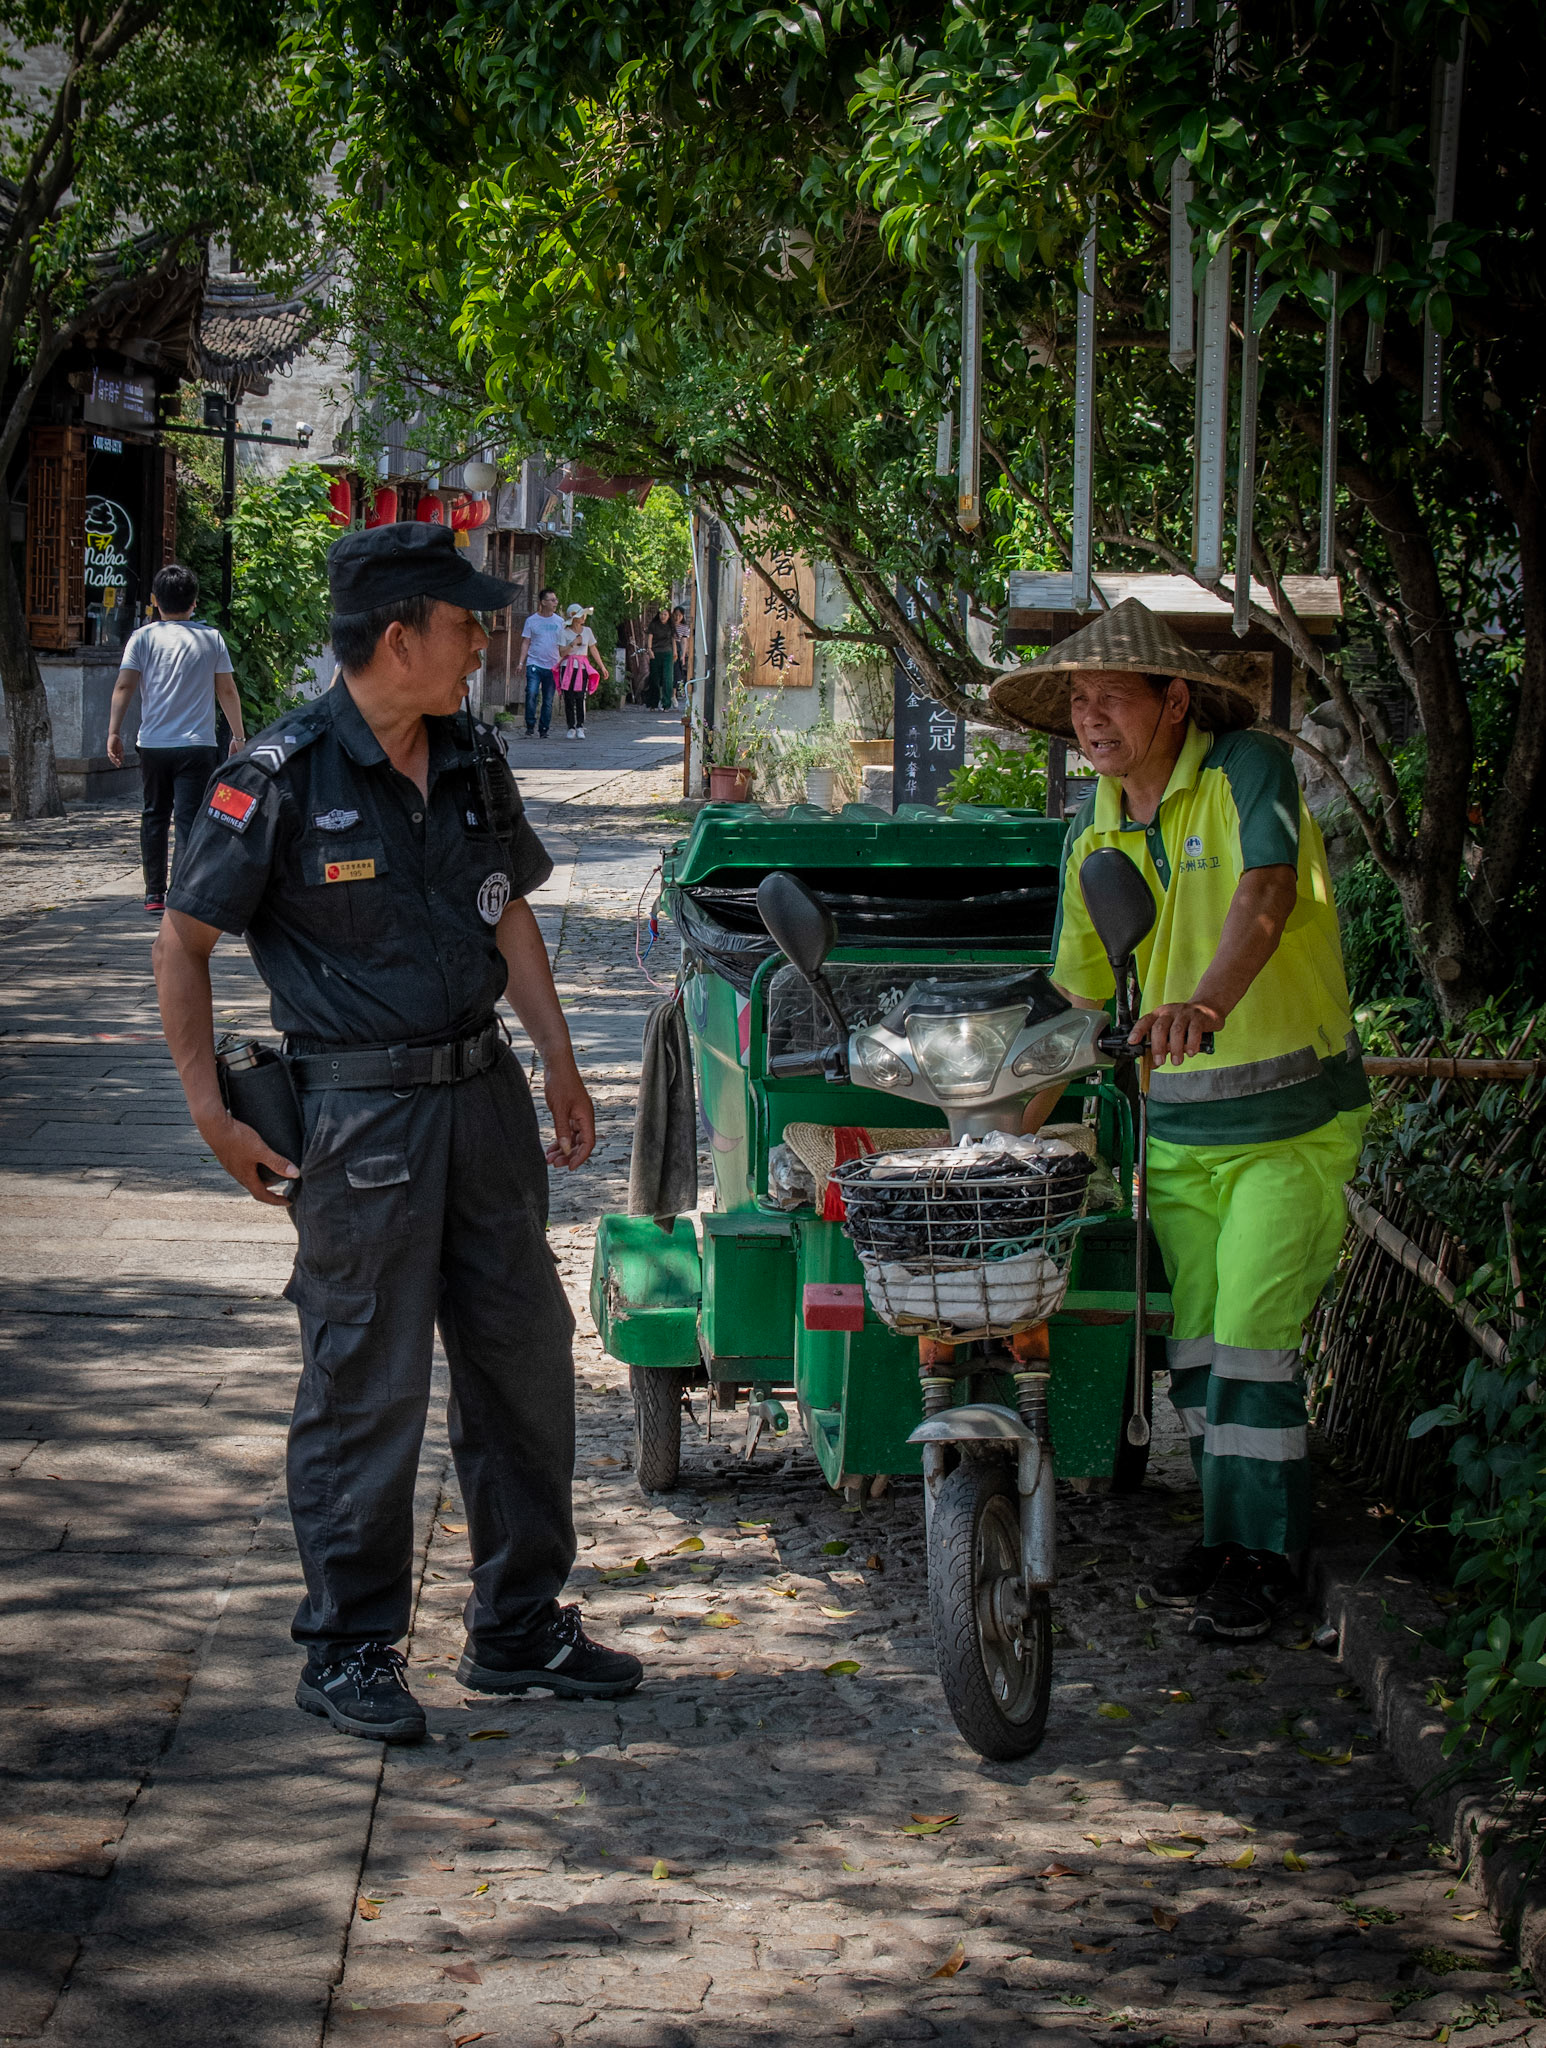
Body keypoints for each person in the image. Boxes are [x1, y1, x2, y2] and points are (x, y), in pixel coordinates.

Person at [152, 522, 643, 1744]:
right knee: (365, 1383)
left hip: (480, 1100)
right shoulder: (276, 772)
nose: (482, 641)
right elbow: (184, 939)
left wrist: (560, 1060)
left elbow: (509, 911)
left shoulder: (474, 753)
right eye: (465, 623)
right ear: (397, 637)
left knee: (524, 1363)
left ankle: (519, 1623)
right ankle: (351, 1644)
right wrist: (211, 1108)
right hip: (357, 1118)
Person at [993, 598, 1369, 1643]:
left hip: (1289, 1128)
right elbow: (1074, 1006)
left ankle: (1263, 1554)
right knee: (1202, 1353)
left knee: (1250, 1336)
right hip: (1180, 1140)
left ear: (1172, 700)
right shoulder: (1091, 827)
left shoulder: (1246, 767)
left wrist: (1203, 1002)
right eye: (1076, 697)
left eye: (1109, 693)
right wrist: (1007, 1130)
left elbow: (1268, 889)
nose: (1088, 714)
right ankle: (1224, 1529)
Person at [106, 563, 244, 915]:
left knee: (153, 814)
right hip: (197, 745)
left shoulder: (143, 638)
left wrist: (114, 731)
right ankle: (183, 893)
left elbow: (125, 685)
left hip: (153, 744)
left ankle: (154, 894)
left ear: (155, 601)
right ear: (194, 602)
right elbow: (226, 689)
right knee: (189, 819)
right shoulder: (210, 639)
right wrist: (238, 736)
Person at [517, 587, 564, 737]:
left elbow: (564, 644)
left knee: (548, 699)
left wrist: (563, 663)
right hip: (534, 663)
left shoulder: (560, 622)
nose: (555, 602)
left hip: (552, 665)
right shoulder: (531, 621)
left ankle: (544, 729)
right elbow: (526, 642)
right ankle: (530, 725)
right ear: (543, 602)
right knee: (531, 693)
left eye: (556, 599)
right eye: (552, 600)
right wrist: (520, 662)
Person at [555, 604, 602, 740]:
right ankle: (571, 727)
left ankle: (580, 726)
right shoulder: (564, 632)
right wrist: (573, 643)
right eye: (580, 615)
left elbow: (593, 649)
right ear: (573, 618)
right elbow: (561, 652)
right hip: (568, 665)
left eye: (583, 615)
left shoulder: (587, 631)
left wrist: (601, 666)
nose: (583, 618)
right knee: (568, 697)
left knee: (580, 696)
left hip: (582, 667)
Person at [644, 605, 675, 709]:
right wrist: (649, 649)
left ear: (669, 615)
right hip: (656, 653)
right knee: (654, 678)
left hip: (667, 653)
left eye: (665, 614)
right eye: (661, 614)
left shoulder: (671, 626)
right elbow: (650, 637)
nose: (663, 616)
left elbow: (673, 639)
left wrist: (675, 652)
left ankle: (666, 703)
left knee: (667, 678)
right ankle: (653, 702)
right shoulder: (654, 625)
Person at [670, 604, 690, 708]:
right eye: (676, 615)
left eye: (680, 615)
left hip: (677, 649)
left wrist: (683, 654)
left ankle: (673, 695)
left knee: (676, 673)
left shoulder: (684, 628)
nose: (677, 617)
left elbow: (684, 641)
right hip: (667, 647)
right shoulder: (669, 625)